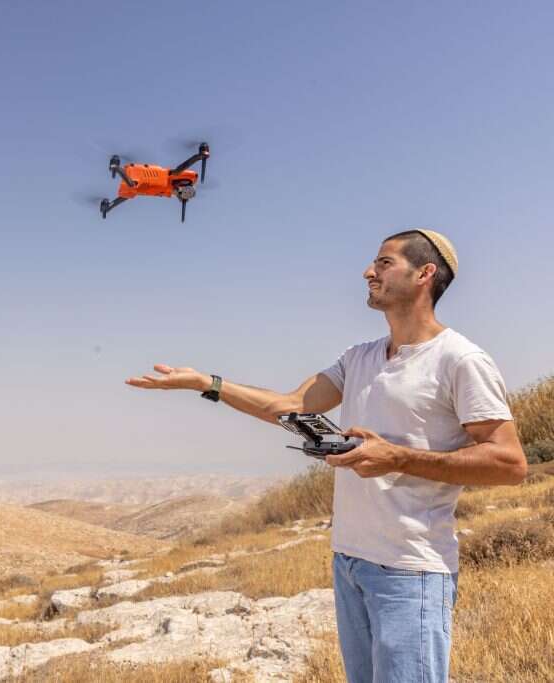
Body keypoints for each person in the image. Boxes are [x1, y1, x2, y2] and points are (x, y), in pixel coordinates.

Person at [125, 229, 527, 683]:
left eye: (384, 262)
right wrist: (207, 384)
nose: (368, 271)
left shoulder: (460, 360)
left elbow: (509, 463)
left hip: (410, 571)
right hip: (349, 562)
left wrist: (396, 457)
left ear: (425, 274)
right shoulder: (359, 357)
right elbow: (289, 406)